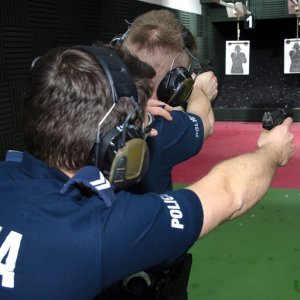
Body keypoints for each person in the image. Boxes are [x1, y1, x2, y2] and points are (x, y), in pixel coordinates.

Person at [0, 44, 294, 300]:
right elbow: (230, 193)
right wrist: (271, 151)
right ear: (117, 145)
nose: (149, 129)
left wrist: (132, 113)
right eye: (139, 126)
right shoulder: (99, 232)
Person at [117, 9, 218, 194]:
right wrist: (197, 89)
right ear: (175, 82)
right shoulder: (159, 125)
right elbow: (205, 124)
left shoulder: (95, 103)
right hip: (146, 220)